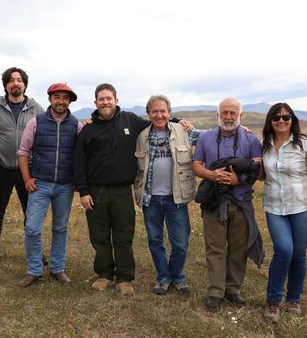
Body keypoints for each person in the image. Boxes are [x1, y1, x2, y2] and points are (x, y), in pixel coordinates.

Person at [74, 84, 191, 296]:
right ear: (95, 103)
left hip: (122, 191)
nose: (105, 102)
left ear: (116, 100)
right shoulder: (87, 129)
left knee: (123, 235)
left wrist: (178, 121)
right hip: (96, 191)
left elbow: (157, 121)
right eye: (101, 99)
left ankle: (124, 277)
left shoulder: (130, 120)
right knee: (99, 236)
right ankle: (104, 275)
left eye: (109, 98)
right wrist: (83, 192)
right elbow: (79, 162)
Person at [260, 103, 307, 323]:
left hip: (303, 206)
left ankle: (293, 299)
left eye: (286, 117)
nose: (281, 121)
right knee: (283, 250)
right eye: (276, 118)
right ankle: (273, 302)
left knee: (298, 254)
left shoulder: (305, 143)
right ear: (270, 121)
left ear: (292, 120)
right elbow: (262, 175)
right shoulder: (265, 145)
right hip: (275, 207)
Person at [192, 97, 264, 312]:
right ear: (218, 115)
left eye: (233, 113)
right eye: (224, 112)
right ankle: (215, 291)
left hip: (241, 202)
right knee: (214, 248)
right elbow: (196, 165)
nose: (228, 117)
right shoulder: (205, 138)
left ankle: (233, 290)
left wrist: (237, 180)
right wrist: (212, 176)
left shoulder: (251, 141)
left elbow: (260, 171)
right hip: (214, 203)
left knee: (238, 248)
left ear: (240, 116)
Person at [134, 94, 201, 295]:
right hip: (150, 198)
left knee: (180, 242)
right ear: (149, 114)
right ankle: (163, 277)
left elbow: (212, 136)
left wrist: (241, 130)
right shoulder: (141, 135)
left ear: (169, 113)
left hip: (176, 197)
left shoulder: (183, 131)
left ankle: (178, 276)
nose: (159, 115)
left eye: (163, 111)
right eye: (155, 111)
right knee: (155, 240)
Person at [0, 67, 45, 267]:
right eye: (11, 80)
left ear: (25, 84)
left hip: (28, 171)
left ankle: (35, 252)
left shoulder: (36, 109)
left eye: (19, 80)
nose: (15, 83)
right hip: (1, 169)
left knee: (31, 214)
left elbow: (45, 135)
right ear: (6, 85)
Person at [17, 83, 82, 287]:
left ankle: (57, 269)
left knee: (60, 228)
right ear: (50, 99)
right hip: (40, 185)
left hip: (64, 186)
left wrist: (77, 181)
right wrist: (27, 179)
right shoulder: (36, 122)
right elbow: (23, 152)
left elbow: (81, 156)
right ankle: (34, 270)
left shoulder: (76, 126)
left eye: (65, 97)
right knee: (32, 229)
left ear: (70, 101)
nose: (61, 101)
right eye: (57, 97)